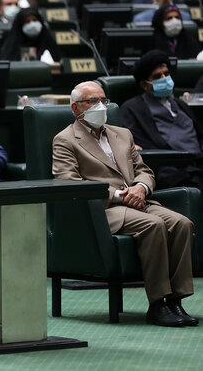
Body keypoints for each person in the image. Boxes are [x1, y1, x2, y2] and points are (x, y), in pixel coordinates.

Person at [53, 80, 196, 327]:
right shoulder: (65, 140)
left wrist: (141, 187)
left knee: (182, 223)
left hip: (139, 200)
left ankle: (176, 300)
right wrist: (120, 195)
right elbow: (70, 182)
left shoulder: (123, 134)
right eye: (93, 101)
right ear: (76, 108)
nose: (101, 106)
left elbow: (144, 170)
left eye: (103, 100)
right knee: (153, 225)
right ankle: (157, 303)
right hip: (102, 209)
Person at [121, 50, 203, 191]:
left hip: (198, 166)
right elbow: (141, 146)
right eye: (157, 76)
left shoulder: (180, 104)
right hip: (170, 171)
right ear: (145, 85)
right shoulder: (133, 108)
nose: (164, 78)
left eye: (166, 73)